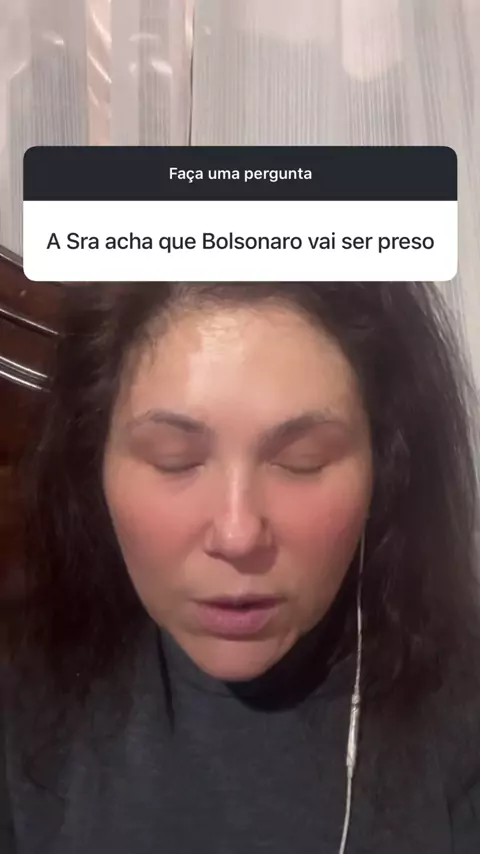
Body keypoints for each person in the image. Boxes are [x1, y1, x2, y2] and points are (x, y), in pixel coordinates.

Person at [1, 281, 480, 853]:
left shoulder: (461, 713)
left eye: (302, 461)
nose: (237, 534)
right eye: (175, 460)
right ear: (93, 461)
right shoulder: (24, 697)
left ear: (385, 468)